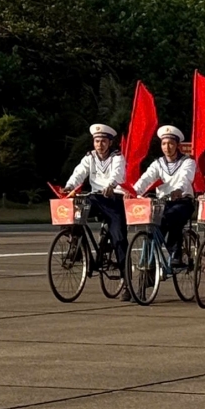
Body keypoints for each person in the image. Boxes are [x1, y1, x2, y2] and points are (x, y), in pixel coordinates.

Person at [63, 123, 129, 301]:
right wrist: (69, 186)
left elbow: (118, 174)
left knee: (119, 239)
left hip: (113, 199)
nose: (100, 144)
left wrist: (111, 185)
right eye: (97, 141)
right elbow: (79, 173)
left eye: (103, 141)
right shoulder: (89, 158)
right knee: (74, 211)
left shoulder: (117, 158)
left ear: (110, 143)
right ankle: (76, 247)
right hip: (95, 198)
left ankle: (127, 282)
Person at [132, 125, 197, 266]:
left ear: (177, 145)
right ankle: (149, 270)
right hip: (162, 203)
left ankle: (176, 255)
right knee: (152, 227)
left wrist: (178, 190)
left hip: (183, 201)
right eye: (164, 143)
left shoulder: (188, 162)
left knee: (173, 218)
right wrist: (133, 192)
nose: (167, 147)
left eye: (171, 143)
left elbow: (185, 178)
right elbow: (146, 179)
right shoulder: (158, 164)